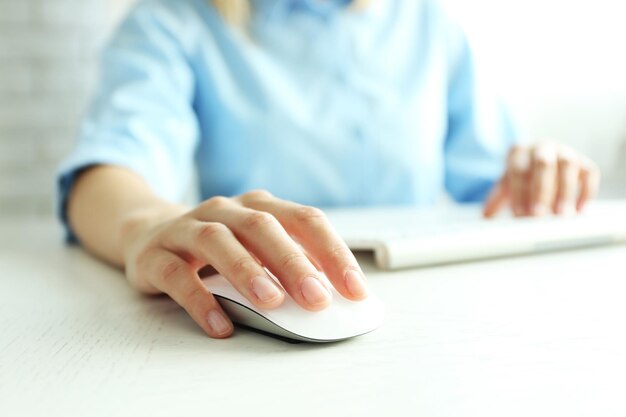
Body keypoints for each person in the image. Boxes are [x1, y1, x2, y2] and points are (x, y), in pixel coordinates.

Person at [57, 0, 600, 339]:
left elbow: (487, 186)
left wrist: (536, 171)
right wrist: (145, 228)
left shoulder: (427, 20)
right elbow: (109, 171)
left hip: (438, 316)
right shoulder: (172, 20)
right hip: (267, 291)